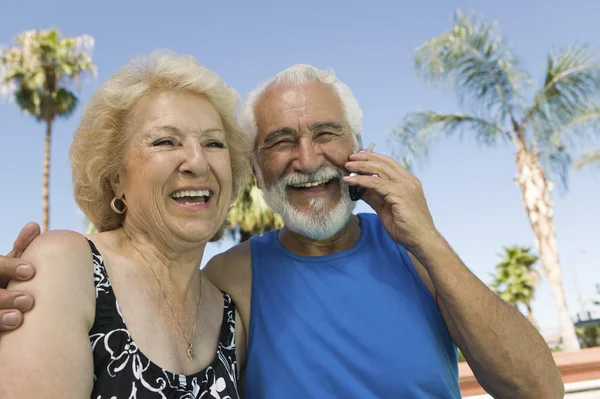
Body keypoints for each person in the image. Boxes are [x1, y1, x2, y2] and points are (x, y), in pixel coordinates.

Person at [0, 65, 564, 398]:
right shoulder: (232, 279)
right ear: (259, 168)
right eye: (280, 142)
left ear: (356, 149)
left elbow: (540, 390)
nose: (307, 157)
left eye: (326, 133)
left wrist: (430, 241)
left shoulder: (415, 254)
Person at [0, 51, 251, 398]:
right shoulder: (68, 267)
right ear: (115, 179)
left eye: (214, 143)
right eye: (166, 141)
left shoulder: (231, 319)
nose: (198, 161)